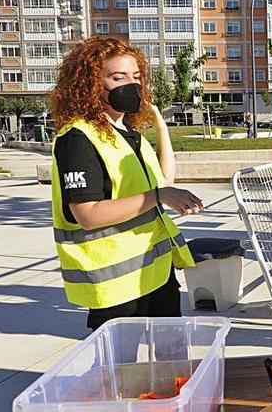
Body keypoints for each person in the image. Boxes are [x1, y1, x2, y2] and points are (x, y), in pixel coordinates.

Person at [49, 37, 204, 331]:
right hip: (115, 284)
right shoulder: (78, 138)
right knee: (121, 371)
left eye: (136, 77)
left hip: (155, 272)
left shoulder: (127, 133)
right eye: (117, 77)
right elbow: (89, 214)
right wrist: (160, 195)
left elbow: (162, 183)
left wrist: (161, 126)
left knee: (171, 361)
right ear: (92, 84)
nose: (130, 85)